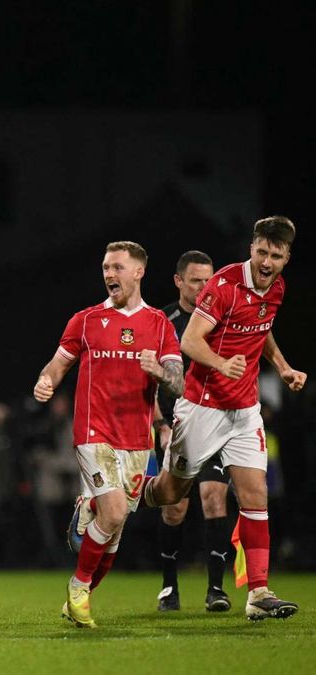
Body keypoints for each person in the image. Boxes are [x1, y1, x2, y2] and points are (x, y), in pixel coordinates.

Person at [140, 216, 306, 621]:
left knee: (255, 496)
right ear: (252, 248)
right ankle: (136, 490)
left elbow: (261, 328)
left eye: (276, 255)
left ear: (286, 258)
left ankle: (258, 592)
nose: (267, 261)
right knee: (171, 495)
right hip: (201, 407)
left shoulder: (277, 288)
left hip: (244, 411)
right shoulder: (225, 285)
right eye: (262, 252)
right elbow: (189, 340)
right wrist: (221, 363)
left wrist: (282, 366)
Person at [33, 241, 184, 629]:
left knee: (114, 530)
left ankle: (79, 596)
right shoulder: (85, 320)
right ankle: (78, 587)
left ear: (138, 272)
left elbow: (179, 382)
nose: (109, 274)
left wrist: (160, 373)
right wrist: (45, 381)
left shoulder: (160, 325)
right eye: (105, 267)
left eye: (117, 267)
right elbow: (58, 363)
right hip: (92, 430)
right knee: (114, 512)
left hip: (136, 438)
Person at [150, 251, 231, 612]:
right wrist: (160, 424)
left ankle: (216, 589)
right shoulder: (161, 322)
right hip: (176, 427)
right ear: (179, 281)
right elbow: (147, 381)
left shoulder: (222, 317)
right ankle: (169, 586)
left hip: (213, 421)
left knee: (214, 498)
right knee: (174, 510)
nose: (203, 287)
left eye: (208, 279)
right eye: (196, 280)